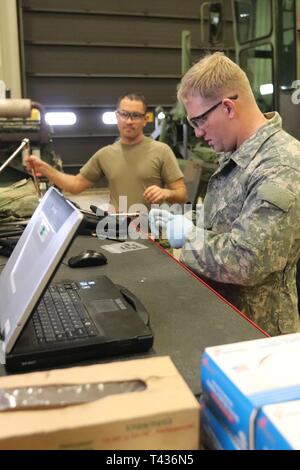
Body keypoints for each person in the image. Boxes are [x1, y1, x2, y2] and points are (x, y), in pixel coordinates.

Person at [149, 52, 300, 336]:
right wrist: (182, 219)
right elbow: (224, 219)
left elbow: (247, 261)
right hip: (224, 318)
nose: (197, 133)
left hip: (258, 335)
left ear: (228, 107)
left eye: (199, 121)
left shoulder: (280, 165)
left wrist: (188, 237)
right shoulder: (237, 153)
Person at [25, 93, 187, 211]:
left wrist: (165, 193)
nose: (129, 121)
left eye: (135, 116)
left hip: (152, 231)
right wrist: (44, 168)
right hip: (117, 230)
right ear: (117, 116)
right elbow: (75, 186)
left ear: (145, 120)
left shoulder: (161, 151)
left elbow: (182, 194)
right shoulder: (105, 155)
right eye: (124, 114)